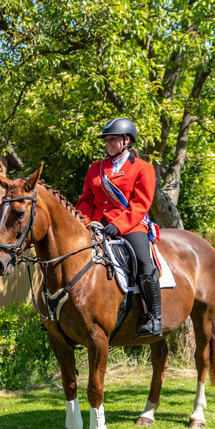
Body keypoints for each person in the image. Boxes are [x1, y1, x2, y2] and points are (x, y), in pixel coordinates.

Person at [75, 117, 162, 337]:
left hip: (130, 223)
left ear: (127, 140)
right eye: (107, 140)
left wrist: (118, 224)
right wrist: (84, 222)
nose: (109, 143)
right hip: (95, 224)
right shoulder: (96, 168)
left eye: (113, 139)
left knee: (143, 261)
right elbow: (86, 199)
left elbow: (141, 202)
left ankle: (154, 316)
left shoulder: (143, 168)